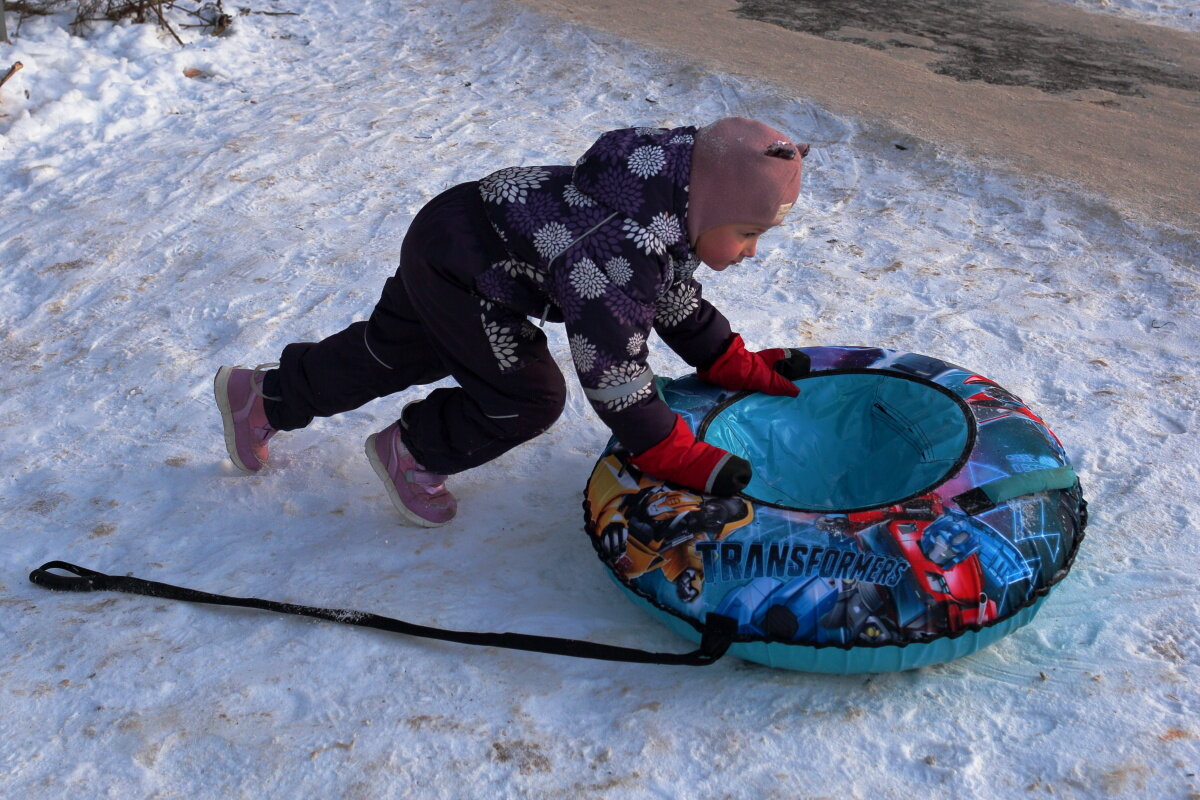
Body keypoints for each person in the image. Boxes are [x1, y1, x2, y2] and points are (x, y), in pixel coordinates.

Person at [214, 117, 809, 527]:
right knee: (526, 397)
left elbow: (672, 296)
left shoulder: (665, 203)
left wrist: (734, 362)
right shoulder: (617, 251)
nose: (751, 250)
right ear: (710, 207)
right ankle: (415, 451)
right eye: (748, 233)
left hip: (453, 231)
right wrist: (670, 451)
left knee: (391, 351)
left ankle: (264, 397)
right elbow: (614, 372)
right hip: (468, 271)